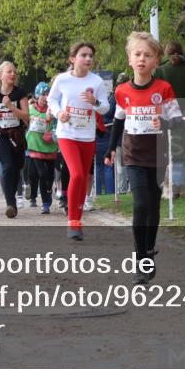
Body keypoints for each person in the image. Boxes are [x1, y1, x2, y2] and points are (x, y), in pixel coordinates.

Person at [108, 32, 183, 284]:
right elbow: (118, 122)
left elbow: (178, 122)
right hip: (133, 155)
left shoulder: (163, 89)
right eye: (137, 54)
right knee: (140, 204)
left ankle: (149, 249)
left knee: (153, 205)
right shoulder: (122, 91)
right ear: (129, 59)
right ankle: (140, 258)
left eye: (147, 55)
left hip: (158, 155)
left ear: (156, 61)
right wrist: (111, 148)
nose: (142, 59)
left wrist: (162, 120)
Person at [48, 42, 110, 240]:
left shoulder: (97, 82)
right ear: (73, 59)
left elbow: (105, 108)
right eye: (84, 55)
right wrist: (59, 113)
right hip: (67, 133)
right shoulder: (62, 80)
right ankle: (73, 222)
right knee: (75, 174)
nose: (88, 59)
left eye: (91, 55)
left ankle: (78, 217)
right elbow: (52, 100)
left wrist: (95, 103)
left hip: (87, 135)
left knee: (83, 177)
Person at [0, 61, 29, 218]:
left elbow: (26, 116)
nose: (13, 74)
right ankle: (11, 204)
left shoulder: (20, 93)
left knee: (15, 169)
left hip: (17, 135)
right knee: (7, 167)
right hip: (1, 135)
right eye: (9, 72)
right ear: (0, 75)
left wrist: (11, 107)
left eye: (15, 72)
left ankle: (12, 199)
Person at [155, 41, 185, 196]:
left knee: (163, 153)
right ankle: (178, 187)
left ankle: (166, 188)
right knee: (180, 153)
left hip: (164, 117)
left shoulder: (159, 72)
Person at [27, 82, 57, 214]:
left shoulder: (53, 109)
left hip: (50, 147)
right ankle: (45, 203)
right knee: (41, 174)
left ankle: (49, 191)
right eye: (43, 95)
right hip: (34, 146)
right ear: (37, 96)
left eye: (48, 94)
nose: (46, 97)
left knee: (50, 177)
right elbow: (23, 122)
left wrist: (53, 133)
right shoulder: (29, 109)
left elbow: (59, 125)